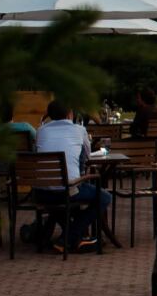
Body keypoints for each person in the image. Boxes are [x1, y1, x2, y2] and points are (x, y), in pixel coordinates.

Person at [31, 100, 107, 251]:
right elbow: (87, 156)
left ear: (50, 116)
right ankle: (70, 237)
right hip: (66, 190)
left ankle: (72, 236)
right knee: (104, 197)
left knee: (62, 196)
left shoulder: (40, 131)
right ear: (69, 114)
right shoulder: (79, 130)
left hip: (41, 192)